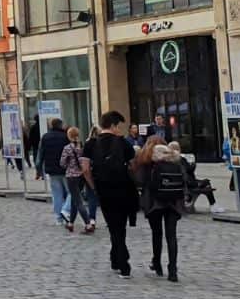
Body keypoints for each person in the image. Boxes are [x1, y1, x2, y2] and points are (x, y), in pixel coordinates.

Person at [83, 111, 138, 278]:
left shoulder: (90, 144)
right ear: (114, 126)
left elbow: (85, 169)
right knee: (119, 225)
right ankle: (121, 261)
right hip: (123, 188)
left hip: (103, 189)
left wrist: (94, 187)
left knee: (112, 224)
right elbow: (133, 165)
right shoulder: (123, 143)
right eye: (118, 127)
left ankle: (119, 260)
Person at [139, 141, 188, 282]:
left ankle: (157, 263)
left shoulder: (153, 166)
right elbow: (185, 182)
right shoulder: (177, 164)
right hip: (173, 203)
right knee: (171, 236)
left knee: (157, 233)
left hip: (156, 204)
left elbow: (144, 182)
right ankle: (173, 270)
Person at [60, 127, 94, 233]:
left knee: (78, 201)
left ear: (69, 136)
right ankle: (71, 223)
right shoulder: (82, 146)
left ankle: (88, 223)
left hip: (71, 176)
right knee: (75, 199)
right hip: (81, 176)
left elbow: (62, 163)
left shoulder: (67, 148)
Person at [36, 118, 71, 224]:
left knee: (56, 194)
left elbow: (40, 155)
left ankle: (58, 218)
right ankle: (65, 210)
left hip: (51, 170)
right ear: (61, 126)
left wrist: (39, 170)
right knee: (72, 192)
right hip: (65, 169)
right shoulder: (65, 137)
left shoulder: (45, 137)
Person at [174, 142, 221, 212]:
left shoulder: (173, 160)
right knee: (207, 183)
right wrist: (193, 165)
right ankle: (213, 205)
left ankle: (212, 205)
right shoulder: (181, 159)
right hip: (188, 184)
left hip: (183, 184)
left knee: (206, 183)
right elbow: (187, 172)